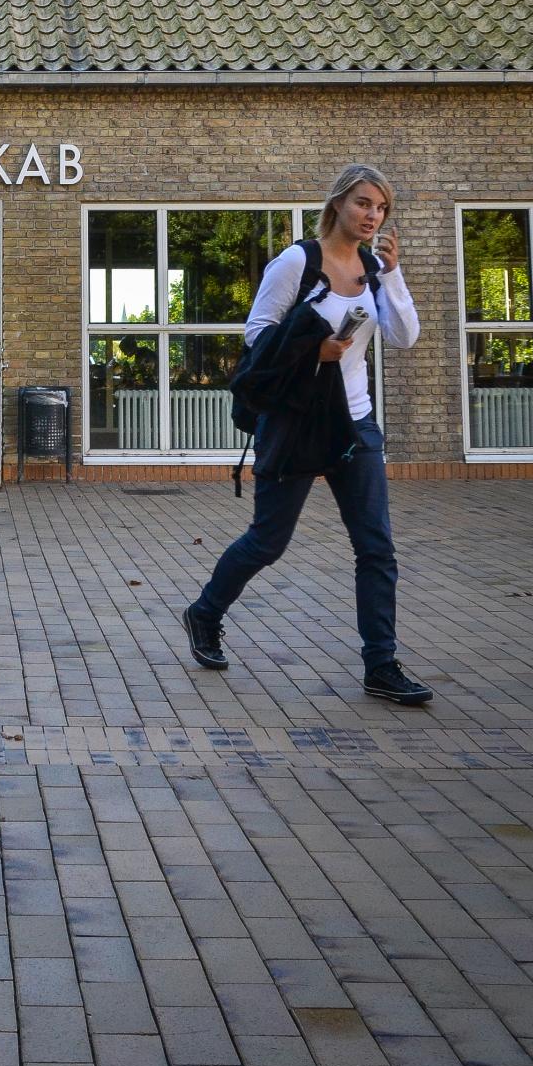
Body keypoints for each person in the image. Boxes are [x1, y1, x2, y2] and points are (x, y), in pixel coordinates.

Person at [182, 164, 432, 705]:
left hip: (354, 423)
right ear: (339, 203)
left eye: (381, 208)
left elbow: (404, 336)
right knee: (268, 541)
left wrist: (392, 274)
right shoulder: (298, 261)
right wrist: (310, 351)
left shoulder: (374, 267)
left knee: (377, 548)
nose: (373, 216)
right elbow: (257, 333)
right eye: (364, 203)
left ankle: (381, 665)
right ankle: (204, 614)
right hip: (296, 418)